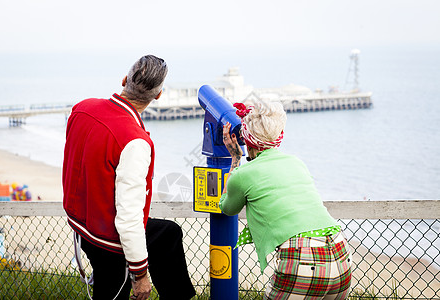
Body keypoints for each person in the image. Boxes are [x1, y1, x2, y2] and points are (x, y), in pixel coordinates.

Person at [63, 55, 196, 300]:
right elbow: (129, 216)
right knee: (114, 287)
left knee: (168, 234)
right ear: (158, 95)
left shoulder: (82, 108)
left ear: (124, 80)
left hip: (82, 224)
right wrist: (140, 274)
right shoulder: (134, 141)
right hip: (108, 240)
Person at [219, 101, 352, 299]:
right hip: (340, 252)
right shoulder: (296, 162)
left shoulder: (243, 173)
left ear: (247, 141)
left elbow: (227, 207)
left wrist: (236, 159)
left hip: (303, 258)